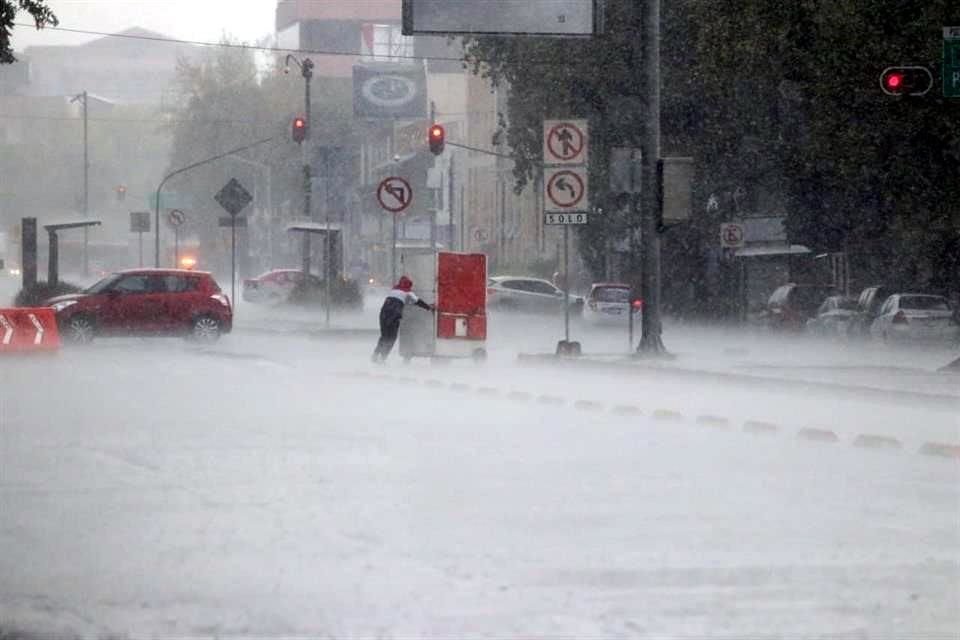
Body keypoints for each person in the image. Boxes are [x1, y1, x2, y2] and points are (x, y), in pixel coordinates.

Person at [372, 275, 434, 363]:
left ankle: (375, 355)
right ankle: (383, 357)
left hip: (383, 314)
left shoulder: (394, 290)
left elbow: (400, 300)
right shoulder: (407, 292)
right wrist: (428, 307)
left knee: (384, 336)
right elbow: (417, 301)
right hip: (394, 315)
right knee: (391, 338)